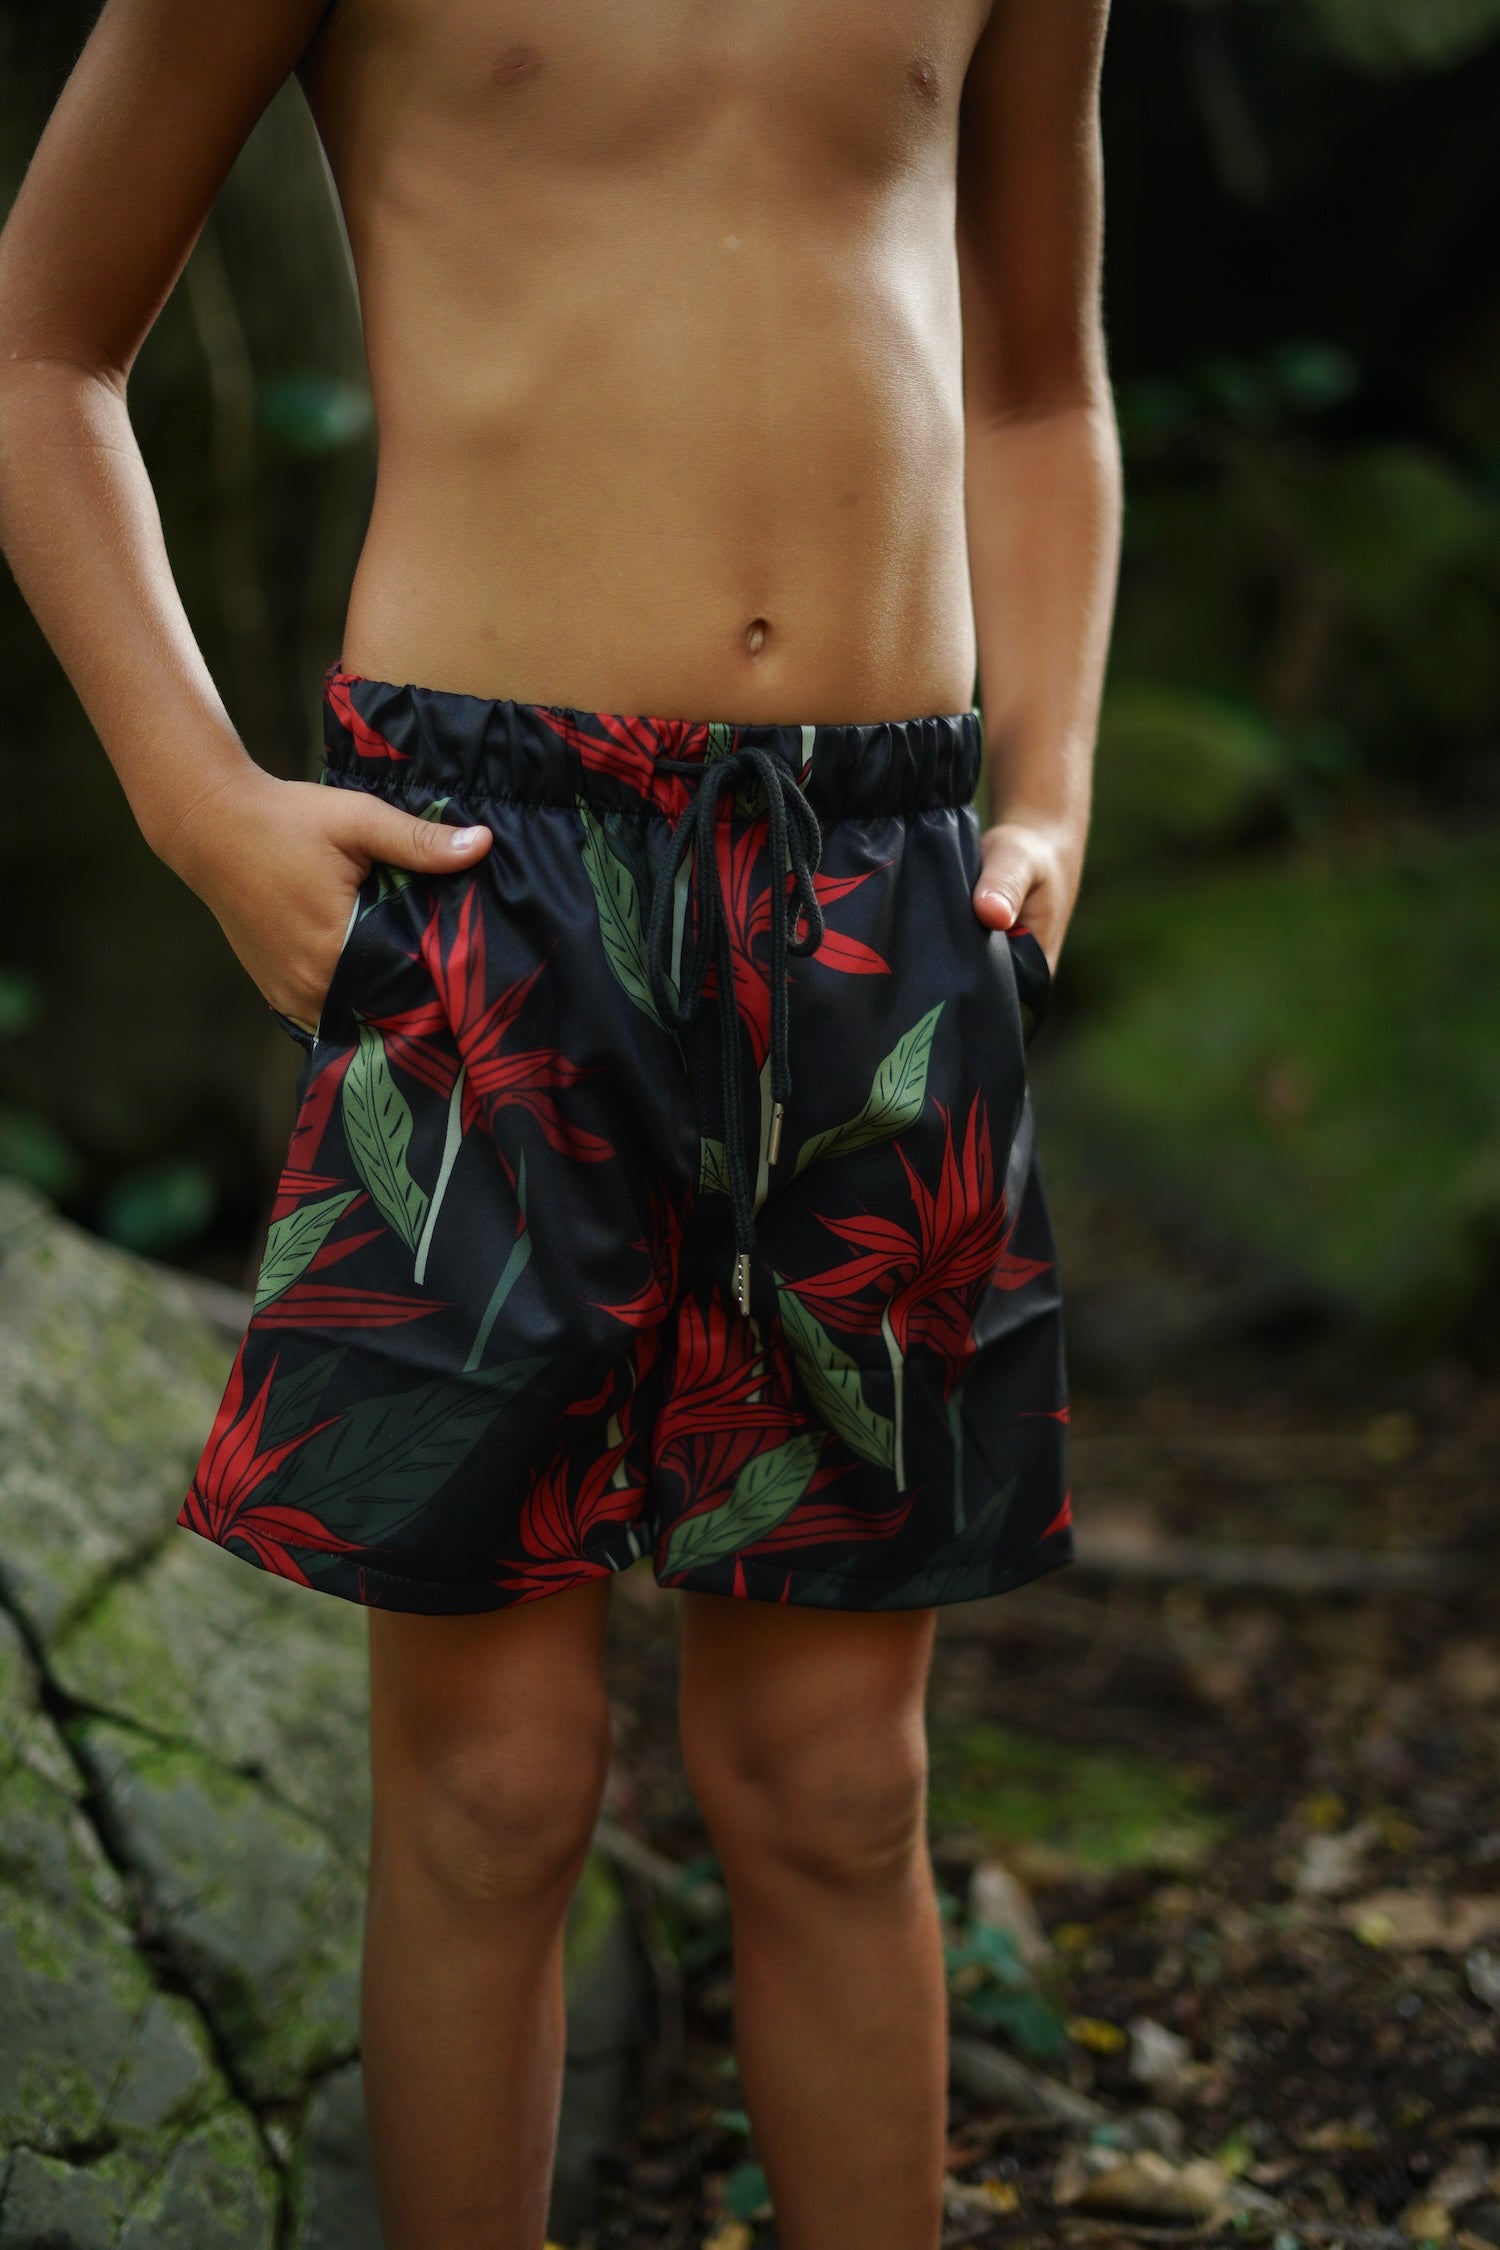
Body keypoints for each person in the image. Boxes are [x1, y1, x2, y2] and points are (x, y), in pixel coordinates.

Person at [0, 1, 1119, 2242]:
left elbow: (1034, 379)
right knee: (491, 1795)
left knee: (836, 1787)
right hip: (489, 887)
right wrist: (200, 802)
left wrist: (1055, 788)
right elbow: (40, 350)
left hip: (876, 895)